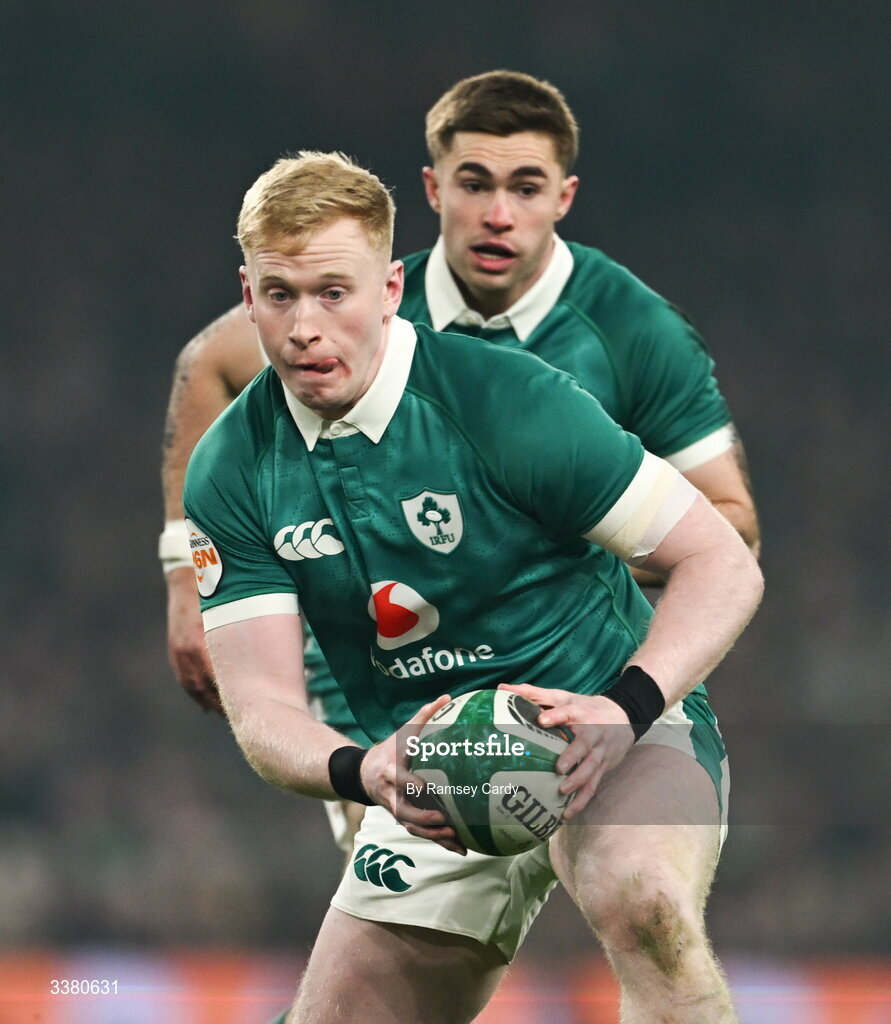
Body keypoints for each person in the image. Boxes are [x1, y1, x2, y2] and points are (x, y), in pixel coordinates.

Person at [183, 151, 763, 1023]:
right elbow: (262, 706)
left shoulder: (507, 402)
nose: (304, 327)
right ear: (247, 293)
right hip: (437, 768)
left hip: (610, 716)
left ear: (387, 288)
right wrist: (364, 766)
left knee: (643, 904)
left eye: (332, 292)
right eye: (279, 294)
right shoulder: (231, 470)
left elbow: (722, 563)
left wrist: (622, 708)